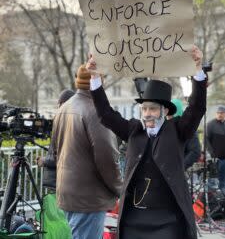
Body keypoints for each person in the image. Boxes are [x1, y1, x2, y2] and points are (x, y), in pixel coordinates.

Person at [86, 45, 207, 239]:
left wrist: (198, 69)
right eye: (144, 109)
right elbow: (105, 114)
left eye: (152, 109)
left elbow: (197, 107)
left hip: (168, 220)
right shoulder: (134, 130)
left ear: (165, 111)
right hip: (135, 219)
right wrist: (95, 78)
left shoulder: (178, 130)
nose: (147, 114)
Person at [52, 64, 122, 239]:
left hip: (68, 192)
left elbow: (55, 151)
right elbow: (106, 157)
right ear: (98, 82)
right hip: (89, 197)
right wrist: (119, 187)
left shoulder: (63, 108)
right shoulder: (95, 111)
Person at [37, 89, 75, 190]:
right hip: (62, 181)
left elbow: (63, 157)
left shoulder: (65, 125)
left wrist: (44, 161)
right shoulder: (72, 123)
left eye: (59, 103)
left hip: (58, 182)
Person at [169, 98, 201, 170]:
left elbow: (195, 152)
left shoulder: (188, 128)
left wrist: (180, 167)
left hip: (177, 172)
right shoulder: (166, 126)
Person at [207, 105, 225, 194]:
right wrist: (212, 153)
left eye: (221, 113)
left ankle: (222, 200)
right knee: (212, 181)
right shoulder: (210, 125)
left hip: (224, 159)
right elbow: (206, 140)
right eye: (218, 113)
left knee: (223, 181)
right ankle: (211, 199)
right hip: (214, 158)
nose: (220, 114)